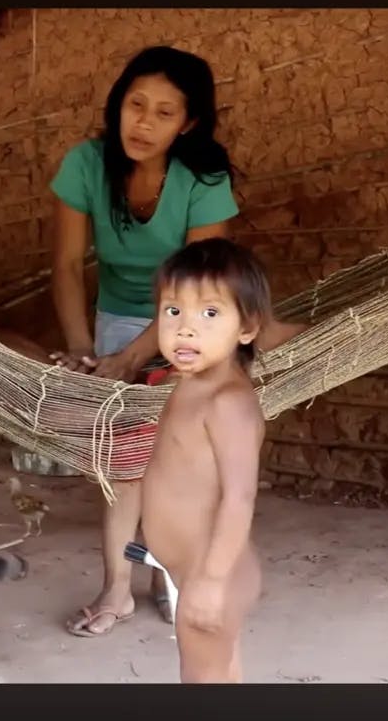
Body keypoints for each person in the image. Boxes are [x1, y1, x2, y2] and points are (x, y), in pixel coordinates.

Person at [47, 45, 303, 638]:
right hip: (116, 318)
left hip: (198, 324)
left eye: (165, 112)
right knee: (126, 465)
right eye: (135, 105)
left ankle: (176, 578)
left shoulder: (203, 178)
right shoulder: (86, 164)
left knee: (188, 465)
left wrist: (134, 357)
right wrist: (88, 351)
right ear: (117, 107)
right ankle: (117, 589)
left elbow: (203, 284)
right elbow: (65, 266)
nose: (144, 122)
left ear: (187, 123)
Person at [141, 238, 269, 682]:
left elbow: (239, 498)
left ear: (247, 329)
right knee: (220, 674)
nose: (186, 329)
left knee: (202, 681)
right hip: (197, 570)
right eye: (173, 311)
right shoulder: (189, 383)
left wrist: (212, 582)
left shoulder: (227, 402)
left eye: (210, 313)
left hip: (214, 572)